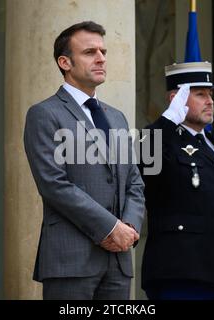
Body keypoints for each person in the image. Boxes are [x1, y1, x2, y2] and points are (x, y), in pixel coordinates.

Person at [23, 21, 145, 300]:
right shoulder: (44, 114)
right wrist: (110, 228)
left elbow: (134, 181)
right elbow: (54, 184)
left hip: (118, 262)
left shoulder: (116, 117)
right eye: (90, 52)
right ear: (65, 62)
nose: (101, 58)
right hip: (71, 260)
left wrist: (129, 228)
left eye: (103, 51)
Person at [139, 62, 214, 300]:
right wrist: (167, 120)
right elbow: (144, 163)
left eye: (211, 95)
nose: (210, 101)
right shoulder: (160, 138)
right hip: (178, 269)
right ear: (176, 99)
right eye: (200, 94)